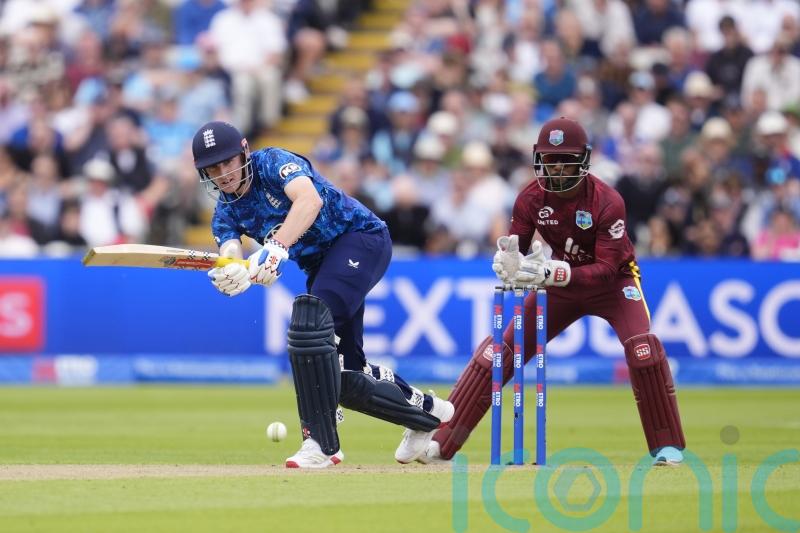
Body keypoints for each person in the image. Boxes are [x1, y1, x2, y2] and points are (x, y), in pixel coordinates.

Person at [394, 117, 686, 466]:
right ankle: (442, 444)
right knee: (499, 351)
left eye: (566, 160)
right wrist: (507, 261)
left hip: (615, 283)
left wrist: (555, 271)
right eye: (550, 159)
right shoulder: (530, 198)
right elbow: (512, 248)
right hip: (559, 284)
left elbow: (607, 269)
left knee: (643, 351)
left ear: (583, 160)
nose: (558, 168)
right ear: (539, 159)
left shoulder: (608, 202)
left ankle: (667, 447)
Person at [190, 121, 453, 468]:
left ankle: (320, 443)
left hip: (361, 238)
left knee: (308, 325)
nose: (223, 174)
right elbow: (230, 250)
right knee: (344, 376)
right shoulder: (225, 211)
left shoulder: (272, 163)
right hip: (322, 266)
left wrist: (275, 248)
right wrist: (234, 273)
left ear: (243, 151)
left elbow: (308, 200)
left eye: (227, 162)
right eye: (213, 168)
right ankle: (426, 414)